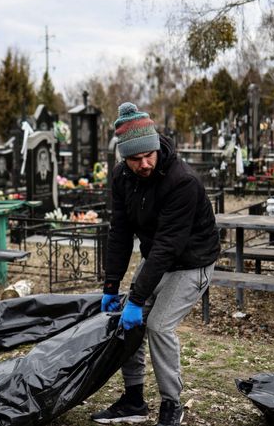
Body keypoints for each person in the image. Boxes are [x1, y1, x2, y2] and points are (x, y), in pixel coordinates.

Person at [92, 102, 220, 426]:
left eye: (149, 155)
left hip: (193, 262)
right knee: (127, 321)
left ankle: (171, 405)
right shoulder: (122, 177)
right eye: (136, 159)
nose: (145, 163)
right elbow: (120, 232)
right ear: (124, 157)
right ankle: (134, 400)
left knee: (158, 325)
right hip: (158, 259)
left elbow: (169, 245)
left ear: (155, 145)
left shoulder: (182, 181)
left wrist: (137, 297)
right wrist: (111, 285)